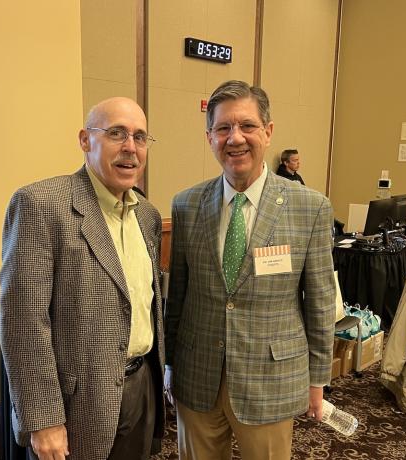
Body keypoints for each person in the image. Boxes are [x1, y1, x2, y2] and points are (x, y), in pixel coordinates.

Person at [164, 81, 336, 460]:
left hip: (270, 377)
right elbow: (178, 294)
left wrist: (317, 379)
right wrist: (170, 363)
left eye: (247, 126)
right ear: (209, 137)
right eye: (223, 128)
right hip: (197, 373)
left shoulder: (311, 207)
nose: (235, 138)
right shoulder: (187, 205)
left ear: (268, 132)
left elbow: (321, 301)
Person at [0, 97, 165, 460]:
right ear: (85, 139)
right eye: (116, 133)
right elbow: (24, 321)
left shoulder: (148, 215)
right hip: (77, 405)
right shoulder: (41, 205)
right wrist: (43, 420)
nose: (130, 148)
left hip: (141, 388)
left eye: (140, 137)